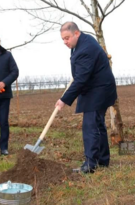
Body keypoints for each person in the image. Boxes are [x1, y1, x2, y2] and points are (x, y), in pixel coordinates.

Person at [55, 22, 117, 174]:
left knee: (90, 126)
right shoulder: (82, 42)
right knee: (98, 124)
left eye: (67, 38)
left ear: (76, 33)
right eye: (63, 39)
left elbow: (81, 79)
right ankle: (102, 160)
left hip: (99, 90)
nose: (65, 42)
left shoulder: (86, 49)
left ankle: (91, 164)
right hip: (96, 88)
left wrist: (64, 99)